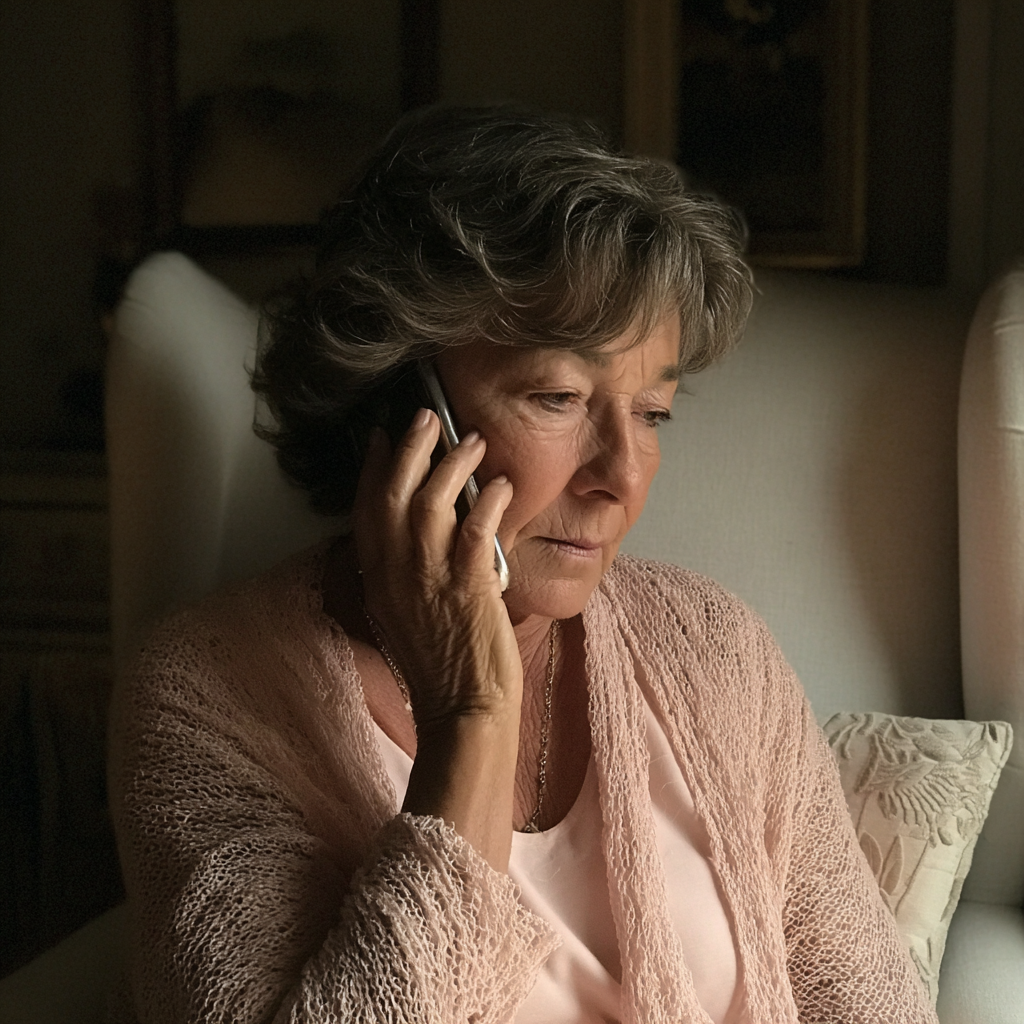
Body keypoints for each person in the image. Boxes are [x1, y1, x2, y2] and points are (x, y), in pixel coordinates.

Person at [108, 106, 936, 1024]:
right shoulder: (206, 694)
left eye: (652, 413)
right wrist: (469, 716)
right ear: (395, 400)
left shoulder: (718, 653)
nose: (621, 476)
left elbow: (872, 1008)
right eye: (558, 396)